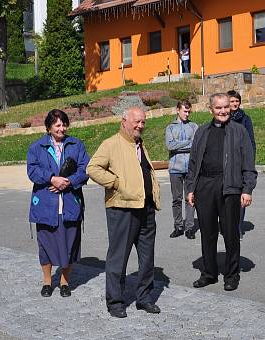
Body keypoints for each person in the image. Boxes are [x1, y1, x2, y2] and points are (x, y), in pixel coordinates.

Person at [87, 107, 161, 318]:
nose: (140, 126)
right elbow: (92, 168)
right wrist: (116, 182)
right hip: (122, 209)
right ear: (124, 122)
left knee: (147, 259)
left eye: (143, 122)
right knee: (118, 258)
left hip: (145, 208)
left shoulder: (139, 145)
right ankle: (116, 302)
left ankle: (144, 298)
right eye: (137, 122)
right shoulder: (111, 144)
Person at [186, 93, 257, 292]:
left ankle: (231, 274)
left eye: (226, 107)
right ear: (211, 110)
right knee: (207, 232)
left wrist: (247, 188)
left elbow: (248, 162)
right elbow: (193, 163)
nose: (223, 111)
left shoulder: (239, 131)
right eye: (218, 108)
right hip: (205, 186)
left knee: (230, 233)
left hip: (230, 187)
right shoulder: (201, 132)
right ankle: (209, 273)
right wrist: (191, 188)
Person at [27, 109, 90, 298]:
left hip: (70, 203)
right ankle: (47, 281)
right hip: (46, 204)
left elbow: (85, 168)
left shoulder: (76, 144)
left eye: (64, 124)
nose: (61, 128)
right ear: (48, 127)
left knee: (69, 244)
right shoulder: (37, 147)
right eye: (57, 125)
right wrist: (52, 178)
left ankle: (64, 281)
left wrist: (69, 181)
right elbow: (32, 171)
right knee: (45, 245)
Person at [165, 100, 198, 239]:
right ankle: (178, 226)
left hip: (190, 168)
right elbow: (170, 146)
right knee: (176, 199)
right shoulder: (170, 128)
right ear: (177, 110)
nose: (187, 114)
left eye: (189, 111)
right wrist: (189, 143)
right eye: (185, 111)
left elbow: (197, 145)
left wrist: (181, 145)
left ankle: (190, 228)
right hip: (175, 168)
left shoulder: (194, 126)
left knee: (190, 198)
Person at [227, 90, 255, 237]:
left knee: (242, 196)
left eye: (237, 101)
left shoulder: (246, 119)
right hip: (227, 164)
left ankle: (238, 226)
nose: (235, 104)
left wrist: (250, 162)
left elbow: (251, 142)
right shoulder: (223, 119)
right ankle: (228, 225)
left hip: (242, 162)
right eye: (232, 101)